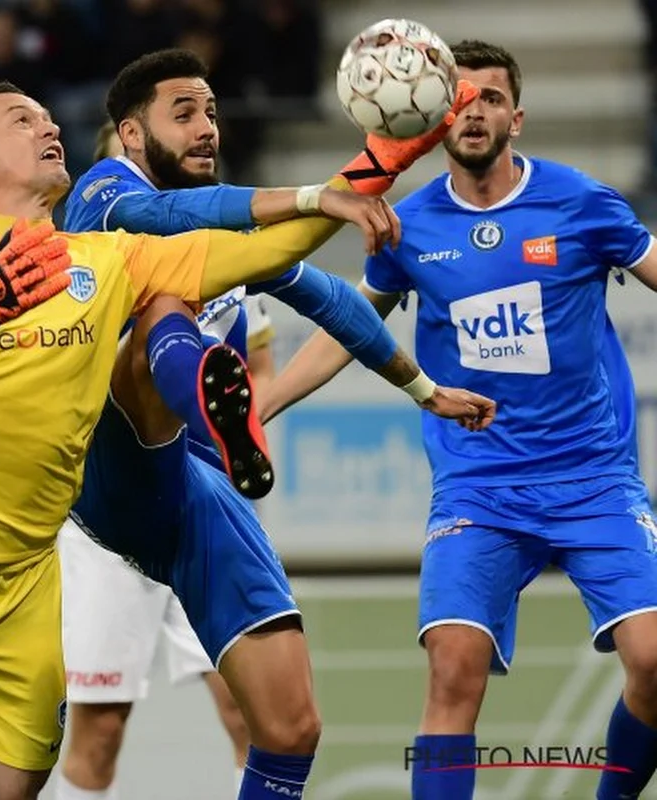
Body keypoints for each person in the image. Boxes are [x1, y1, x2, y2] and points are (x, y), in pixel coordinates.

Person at [0, 78, 473, 800]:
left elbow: (258, 247)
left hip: (22, 584)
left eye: (47, 116)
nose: (48, 126)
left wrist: (374, 167)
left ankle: (194, 407)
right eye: (21, 119)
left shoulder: (106, 259)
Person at [56, 49, 496, 800]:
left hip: (200, 493)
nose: (207, 129)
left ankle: (228, 425)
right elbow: (177, 215)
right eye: (184, 113)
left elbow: (328, 296)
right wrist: (318, 196)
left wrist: (422, 388)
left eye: (213, 113)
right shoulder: (104, 194)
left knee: (287, 728)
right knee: (165, 300)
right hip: (109, 486)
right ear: (131, 134)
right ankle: (213, 406)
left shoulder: (226, 240)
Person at [259, 40, 657, 800]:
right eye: (459, 101)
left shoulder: (582, 203)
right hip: (479, 487)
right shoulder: (407, 227)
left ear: (518, 116)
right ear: (434, 118)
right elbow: (352, 327)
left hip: (593, 478)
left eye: (491, 100)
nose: (473, 113)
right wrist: (265, 405)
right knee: (452, 666)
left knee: (655, 659)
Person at [58, 124, 276, 800]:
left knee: (254, 713)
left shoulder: (223, 256)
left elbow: (258, 363)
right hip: (112, 519)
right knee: (98, 727)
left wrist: (242, 438)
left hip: (205, 502)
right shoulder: (87, 267)